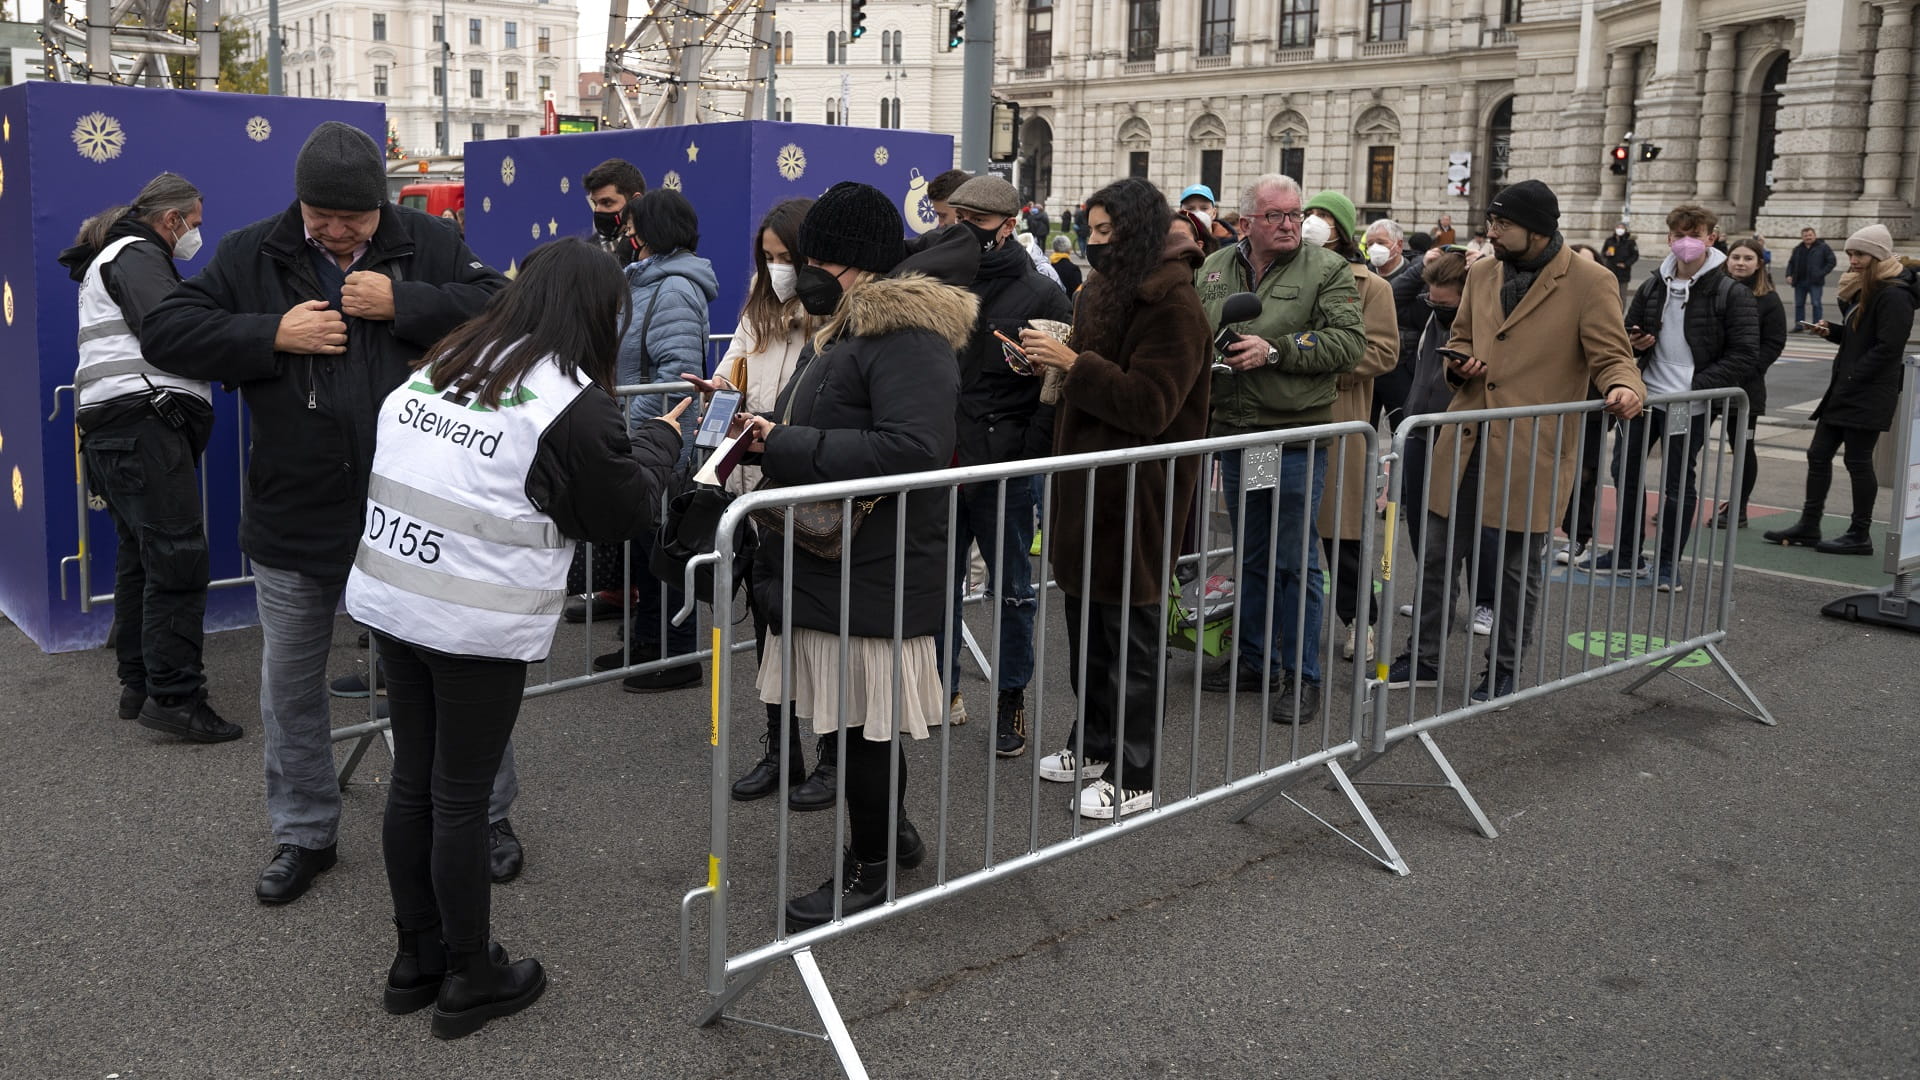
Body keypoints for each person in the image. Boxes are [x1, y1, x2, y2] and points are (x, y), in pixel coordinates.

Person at [142, 121, 511, 904]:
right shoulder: (252, 252)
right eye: (323, 216)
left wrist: (403, 301)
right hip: (295, 512)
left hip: (414, 512)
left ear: (381, 204)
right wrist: (271, 333)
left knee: (456, 672)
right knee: (290, 688)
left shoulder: (430, 242)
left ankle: (483, 818)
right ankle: (305, 832)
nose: (338, 232)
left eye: (354, 218)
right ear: (300, 201)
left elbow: (503, 313)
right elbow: (168, 330)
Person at [343, 238, 685, 1039]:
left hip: (395, 599)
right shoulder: (567, 399)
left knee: (414, 784)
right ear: (598, 314)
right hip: (473, 619)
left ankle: (415, 959)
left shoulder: (449, 362)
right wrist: (666, 439)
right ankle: (470, 976)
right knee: (460, 798)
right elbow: (622, 510)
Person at [735, 181, 977, 928]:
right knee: (855, 723)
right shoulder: (849, 328)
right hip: (838, 558)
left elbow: (914, 447)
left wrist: (786, 443)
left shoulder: (904, 335)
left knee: (861, 729)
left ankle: (869, 870)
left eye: (817, 259)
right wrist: (764, 428)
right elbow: (834, 421)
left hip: (875, 563)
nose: (802, 272)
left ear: (857, 260)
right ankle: (892, 837)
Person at [1386, 179, 1646, 703]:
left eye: (1503, 224)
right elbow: (1461, 335)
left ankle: (1503, 668)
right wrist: (1460, 364)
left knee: (1516, 568)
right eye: (1491, 222)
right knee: (1436, 554)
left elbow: (1613, 355)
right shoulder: (1483, 272)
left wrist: (1624, 387)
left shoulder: (1591, 281)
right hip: (1465, 435)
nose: (1492, 233)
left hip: (1532, 445)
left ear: (1537, 229)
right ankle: (1424, 657)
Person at [1018, 177, 1211, 816]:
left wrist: (1073, 364)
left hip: (1139, 493)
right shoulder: (1102, 290)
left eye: (1107, 231)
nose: (1095, 242)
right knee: (1087, 628)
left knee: (1131, 637)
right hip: (1087, 484)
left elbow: (1151, 404)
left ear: (1137, 232)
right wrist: (1054, 360)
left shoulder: (1174, 305)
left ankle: (1135, 772)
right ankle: (1094, 740)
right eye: (1092, 230)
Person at [57, 173, 239, 743]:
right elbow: (171, 333)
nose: (197, 234)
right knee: (177, 558)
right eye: (195, 224)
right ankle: (176, 698)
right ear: (171, 219)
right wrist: (247, 349)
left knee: (142, 557)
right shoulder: (136, 254)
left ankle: (140, 684)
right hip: (143, 425)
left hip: (119, 427)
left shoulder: (115, 257)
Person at [1194, 174, 1365, 723]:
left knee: (1295, 560)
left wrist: (1275, 350)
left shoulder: (1327, 268)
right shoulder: (1214, 267)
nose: (1291, 224)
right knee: (1252, 550)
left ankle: (1301, 674)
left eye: (1295, 213)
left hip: (1291, 436)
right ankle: (1254, 660)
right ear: (1246, 222)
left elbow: (1350, 343)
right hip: (1240, 433)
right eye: (1276, 215)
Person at [938, 174, 1074, 758]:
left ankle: (1011, 698)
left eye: (977, 222)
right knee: (936, 584)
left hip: (1007, 467)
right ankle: (942, 687)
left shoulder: (1042, 294)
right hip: (940, 461)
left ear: (1009, 225)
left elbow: (1054, 387)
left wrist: (1027, 451)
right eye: (954, 220)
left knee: (1014, 591)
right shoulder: (935, 281)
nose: (962, 231)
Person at [703, 198, 826, 804]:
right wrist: (720, 389)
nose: (776, 268)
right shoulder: (760, 300)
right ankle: (782, 750)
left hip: (811, 485)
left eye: (786, 257)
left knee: (821, 631)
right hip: (754, 487)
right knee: (769, 622)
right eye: (768, 257)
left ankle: (834, 756)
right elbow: (735, 365)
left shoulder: (834, 310)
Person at [588, 189, 717, 693]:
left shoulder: (676, 287)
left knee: (664, 549)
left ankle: (679, 654)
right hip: (641, 434)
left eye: (632, 225)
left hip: (659, 438)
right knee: (645, 548)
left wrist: (641, 432)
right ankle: (647, 643)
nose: (626, 233)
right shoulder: (647, 280)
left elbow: (675, 376)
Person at [1597, 204, 1759, 591]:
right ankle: (1626, 553)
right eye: (1680, 235)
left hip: (1689, 403)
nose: (1687, 243)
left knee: (1677, 482)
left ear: (1711, 238)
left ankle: (1668, 564)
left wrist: (1696, 386)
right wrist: (1635, 342)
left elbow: (1744, 354)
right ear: (1669, 238)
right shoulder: (1654, 284)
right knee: (1625, 471)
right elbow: (1625, 336)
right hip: (1644, 398)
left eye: (1695, 235)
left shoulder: (1730, 292)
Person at [1765, 224, 1917, 555]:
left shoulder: (1894, 293)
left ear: (1878, 255)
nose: (1853, 260)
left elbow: (1889, 347)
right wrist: (1832, 331)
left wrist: (1853, 377)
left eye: (1860, 254)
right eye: (1850, 253)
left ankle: (1860, 533)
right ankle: (1809, 524)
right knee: (1818, 454)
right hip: (1847, 388)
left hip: (1868, 390)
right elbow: (1860, 337)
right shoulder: (1867, 288)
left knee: (1858, 460)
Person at [1305, 191, 1398, 670]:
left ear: (1341, 229)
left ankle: (1361, 622)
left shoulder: (1372, 287)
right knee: (1282, 536)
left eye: (1323, 216)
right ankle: (1279, 630)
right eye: (1309, 214)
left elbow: (1383, 351)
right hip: (1283, 420)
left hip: (1338, 420)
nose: (1312, 223)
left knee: (1344, 538)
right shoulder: (1283, 272)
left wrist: (1317, 363)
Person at [1714, 237, 1787, 528]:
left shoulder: (1769, 299)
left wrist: (1748, 369)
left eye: (1747, 258)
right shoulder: (1715, 289)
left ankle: (1738, 508)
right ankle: (1679, 502)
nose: (1740, 263)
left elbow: (1774, 342)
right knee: (1688, 445)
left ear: (1759, 264)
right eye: (1736, 257)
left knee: (1743, 447)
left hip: (1745, 386)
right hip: (1708, 382)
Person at [1364, 217, 1424, 432]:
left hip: (1402, 367)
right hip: (1368, 367)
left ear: (1398, 245)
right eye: (1370, 244)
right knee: (1363, 429)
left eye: (1381, 242)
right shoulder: (1363, 275)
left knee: (1403, 429)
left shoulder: (1418, 278)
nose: (1374, 248)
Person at [583, 158, 648, 266]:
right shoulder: (585, 254)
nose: (598, 210)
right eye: (595, 203)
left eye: (607, 202)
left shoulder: (658, 249)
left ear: (635, 201)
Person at [1786, 225, 1838, 328]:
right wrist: (1788, 275)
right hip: (1799, 281)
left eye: (1810, 235)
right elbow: (1791, 263)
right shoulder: (1798, 249)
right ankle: (1799, 326)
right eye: (1805, 236)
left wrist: (1821, 273)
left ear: (1814, 235)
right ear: (1802, 237)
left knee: (1816, 304)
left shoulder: (1823, 247)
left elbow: (1832, 261)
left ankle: (1816, 326)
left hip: (1815, 282)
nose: (1808, 237)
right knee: (1799, 304)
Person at [1600, 221, 1638, 288]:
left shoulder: (1630, 241)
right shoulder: (1609, 240)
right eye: (1618, 227)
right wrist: (1606, 254)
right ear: (1615, 229)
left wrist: (1626, 264)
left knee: (1622, 292)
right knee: (1610, 290)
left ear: (1625, 230)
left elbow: (1635, 255)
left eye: (1622, 228)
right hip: (1611, 269)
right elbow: (1603, 253)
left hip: (1623, 272)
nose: (1620, 229)